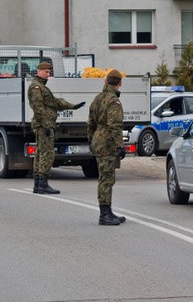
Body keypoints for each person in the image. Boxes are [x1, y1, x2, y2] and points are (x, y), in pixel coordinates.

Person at [27, 61, 84, 194]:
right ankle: (42, 183)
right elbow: (38, 107)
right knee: (47, 153)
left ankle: (38, 184)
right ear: (39, 71)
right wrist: (46, 124)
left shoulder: (42, 87)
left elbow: (55, 102)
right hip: (43, 125)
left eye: (49, 72)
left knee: (40, 152)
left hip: (43, 124)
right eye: (46, 72)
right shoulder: (36, 87)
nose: (48, 74)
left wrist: (73, 106)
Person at [87, 69, 127, 225]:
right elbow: (115, 125)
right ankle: (104, 215)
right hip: (107, 143)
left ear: (105, 81)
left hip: (98, 140)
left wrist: (91, 140)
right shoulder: (113, 101)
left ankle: (108, 211)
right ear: (120, 83)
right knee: (106, 178)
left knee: (105, 177)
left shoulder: (98, 98)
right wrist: (120, 145)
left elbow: (90, 122)